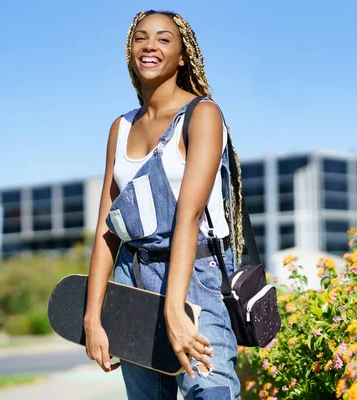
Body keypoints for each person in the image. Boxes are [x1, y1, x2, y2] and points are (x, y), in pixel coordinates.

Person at [82, 9, 245, 399]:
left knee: (212, 391)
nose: (150, 46)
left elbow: (187, 218)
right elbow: (108, 228)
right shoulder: (120, 127)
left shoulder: (203, 114)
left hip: (195, 277)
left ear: (183, 55)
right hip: (133, 278)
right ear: (130, 50)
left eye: (163, 38)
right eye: (141, 37)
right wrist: (93, 315)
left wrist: (176, 308)